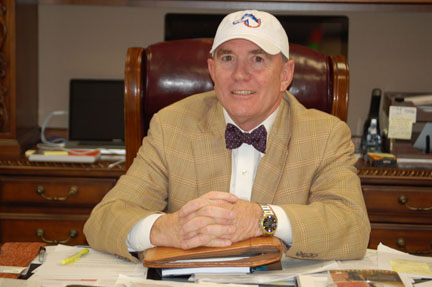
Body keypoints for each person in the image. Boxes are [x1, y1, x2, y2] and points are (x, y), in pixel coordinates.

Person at [84, 10, 370, 263]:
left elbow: (353, 228)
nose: (240, 74)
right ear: (212, 70)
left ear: (285, 75)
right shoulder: (171, 126)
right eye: (228, 58)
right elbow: (104, 219)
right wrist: (165, 229)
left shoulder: (325, 135)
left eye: (257, 59)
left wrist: (263, 219)